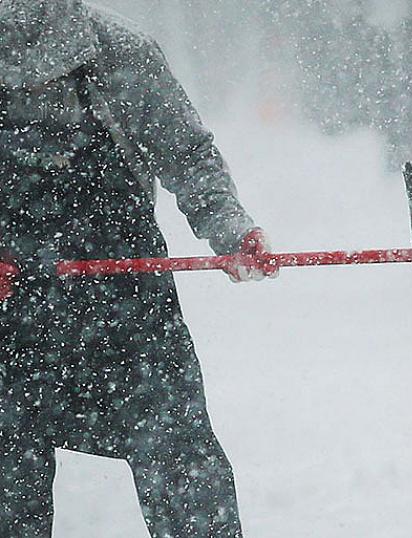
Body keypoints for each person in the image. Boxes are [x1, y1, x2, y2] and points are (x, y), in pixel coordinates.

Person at [0, 1, 276, 536]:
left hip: (127, 306)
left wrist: (231, 228)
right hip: (12, 317)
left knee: (182, 464)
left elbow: (188, 154)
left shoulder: (122, 51)